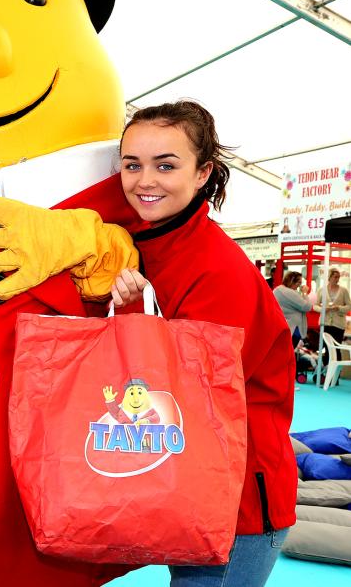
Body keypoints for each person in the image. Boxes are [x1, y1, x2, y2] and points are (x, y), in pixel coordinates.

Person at [110, 100, 297, 587]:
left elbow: (188, 393)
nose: (145, 180)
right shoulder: (150, 243)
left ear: (202, 173)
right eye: (133, 164)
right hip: (196, 482)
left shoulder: (217, 269)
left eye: (166, 165)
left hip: (237, 502)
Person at [273, 271, 312, 347]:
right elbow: (307, 306)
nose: (300, 286)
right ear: (291, 281)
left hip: (282, 326)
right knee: (289, 353)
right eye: (299, 282)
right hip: (292, 328)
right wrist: (304, 293)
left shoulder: (278, 290)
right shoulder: (289, 292)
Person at [314, 268, 350, 344]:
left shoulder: (344, 290)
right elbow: (315, 306)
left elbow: (349, 306)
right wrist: (323, 309)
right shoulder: (321, 290)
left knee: (336, 348)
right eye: (335, 277)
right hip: (324, 323)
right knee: (326, 347)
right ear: (329, 277)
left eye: (338, 277)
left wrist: (339, 308)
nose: (337, 279)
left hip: (338, 324)